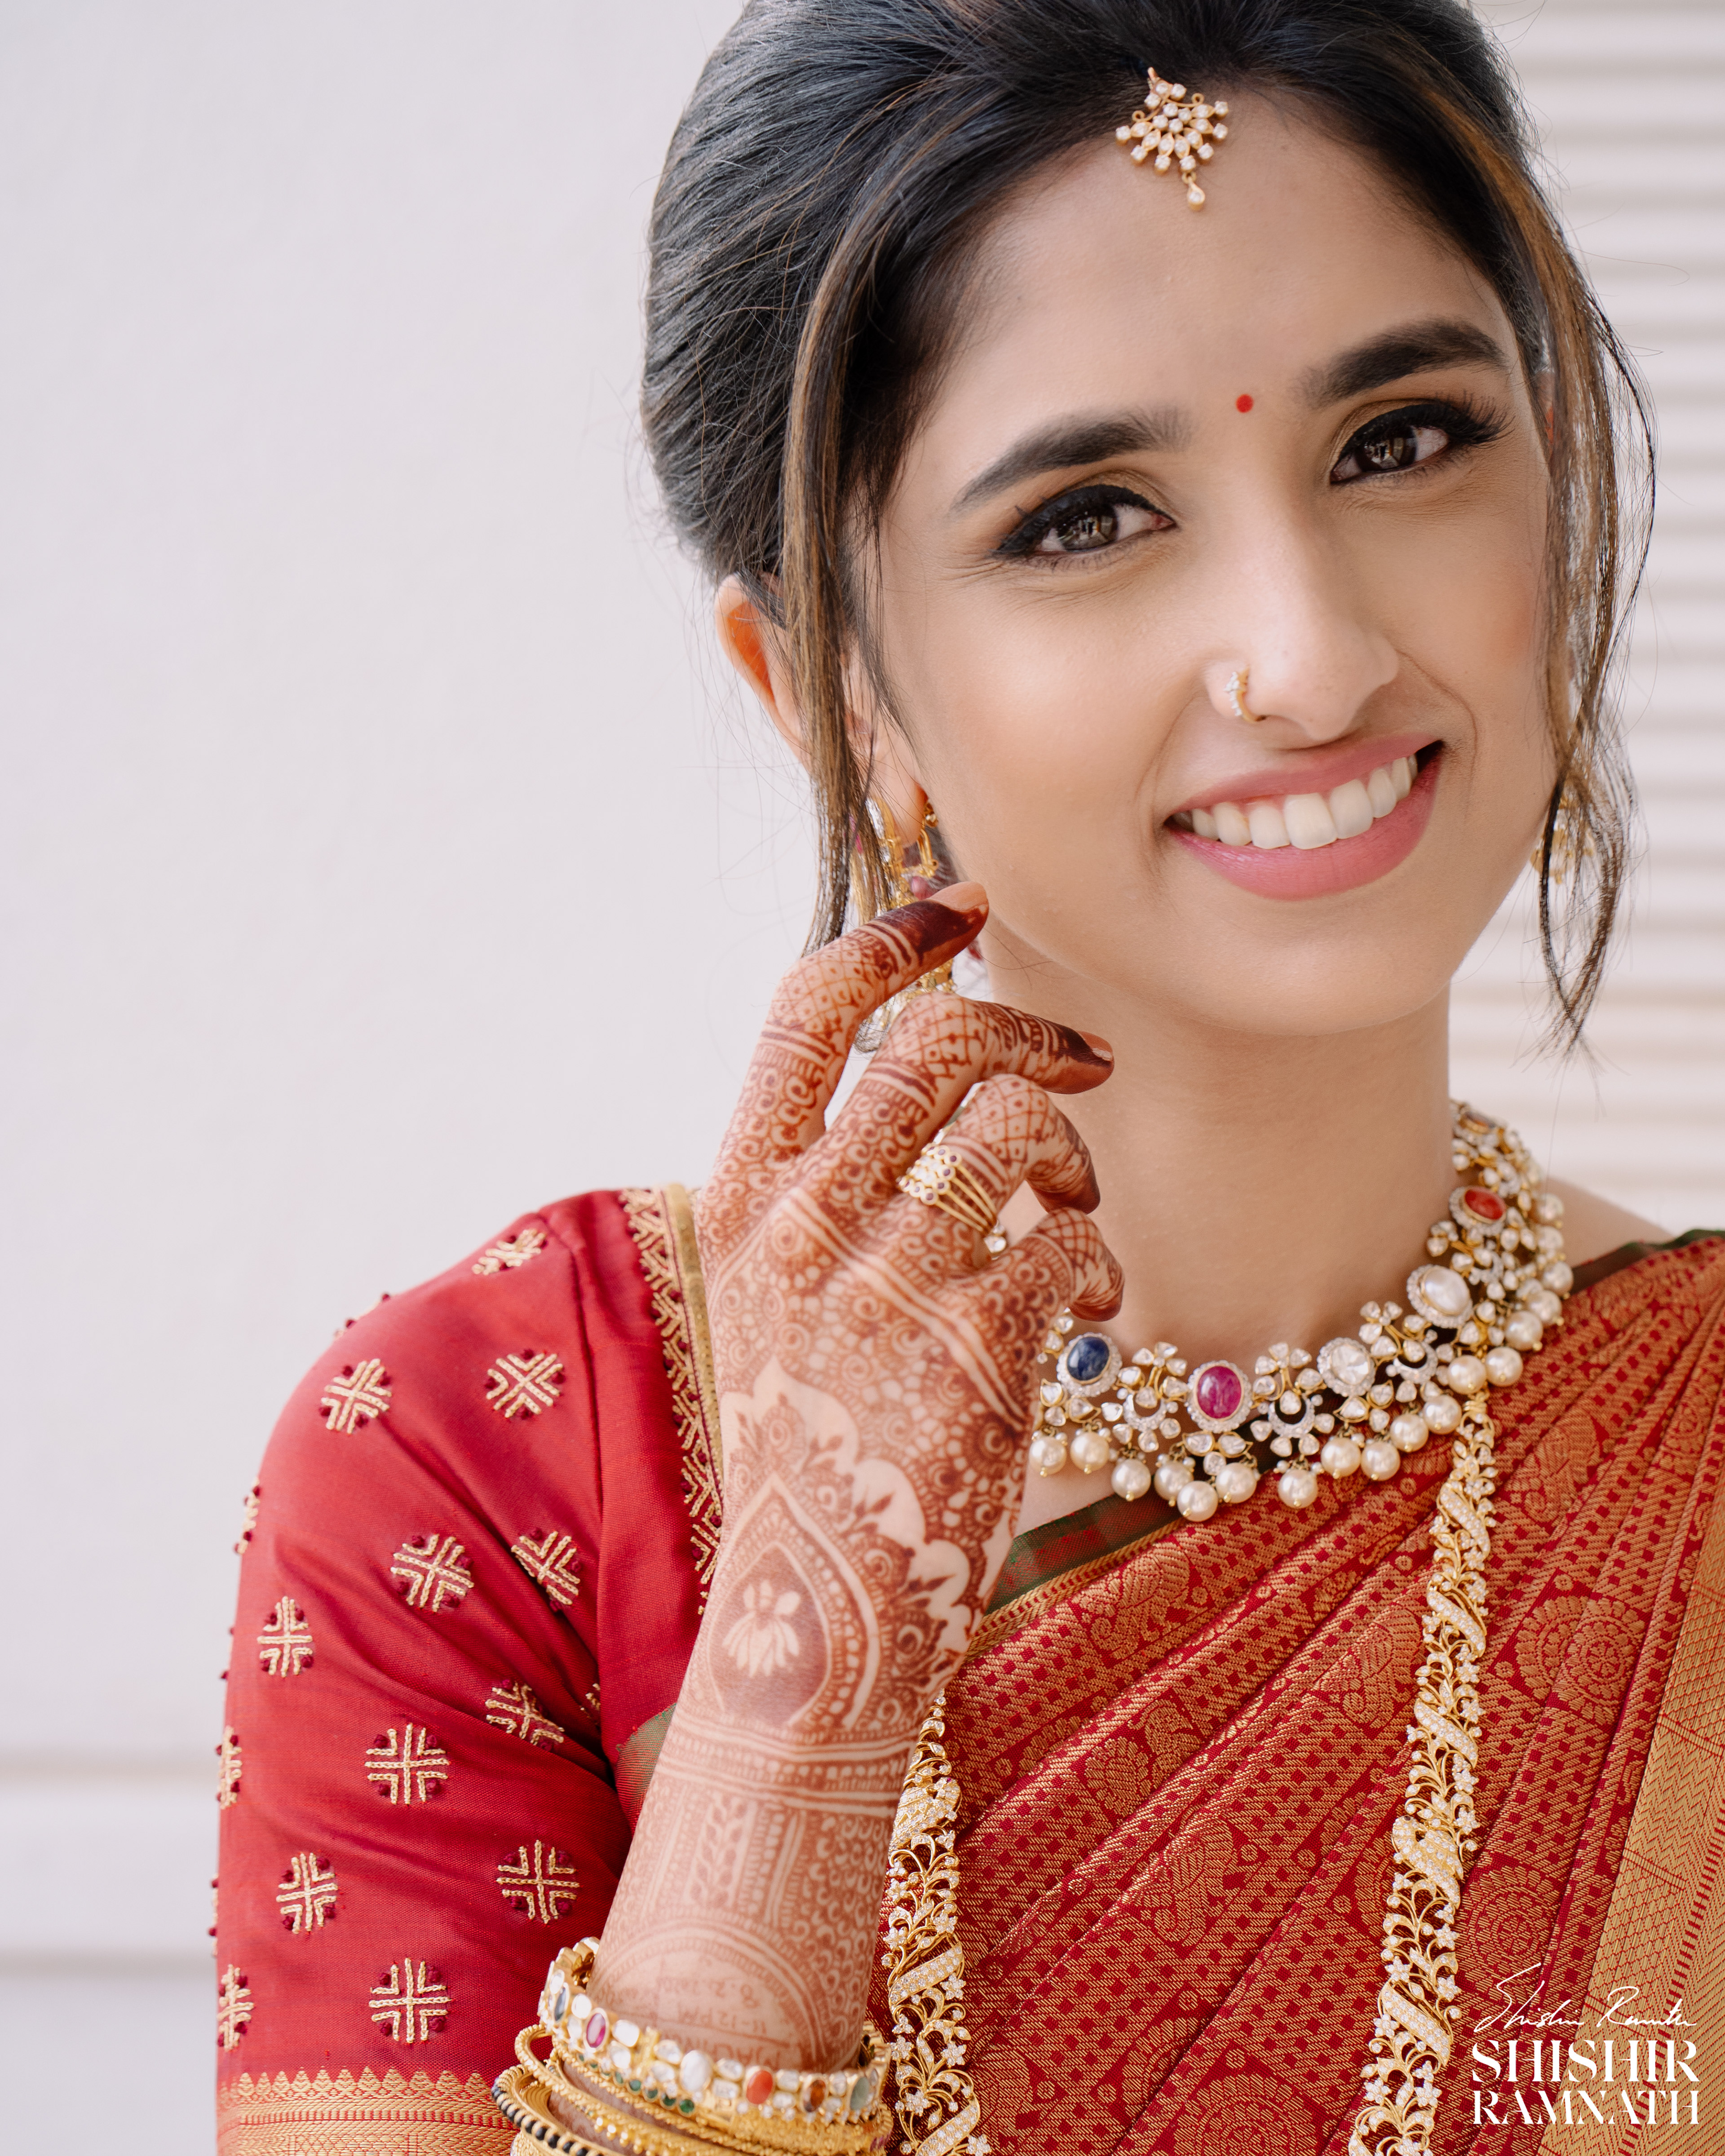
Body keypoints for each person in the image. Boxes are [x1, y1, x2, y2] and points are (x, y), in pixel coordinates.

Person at [213, 2, 1725, 2152]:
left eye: (1401, 440)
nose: (1308, 653)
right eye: (1087, 516)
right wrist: (792, 1716)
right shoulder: (497, 1482)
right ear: (832, 692)